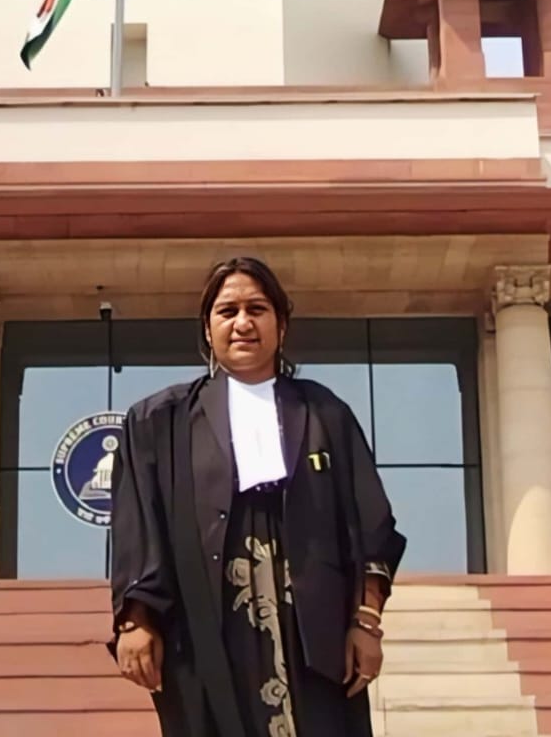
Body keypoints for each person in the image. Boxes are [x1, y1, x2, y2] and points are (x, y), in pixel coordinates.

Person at [109, 256, 406, 737]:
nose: (243, 323)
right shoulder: (158, 422)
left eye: (257, 309)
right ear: (207, 329)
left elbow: (371, 526)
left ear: (281, 326)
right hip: (205, 628)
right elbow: (138, 528)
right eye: (228, 311)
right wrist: (134, 622)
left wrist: (367, 622)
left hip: (314, 633)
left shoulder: (325, 413)